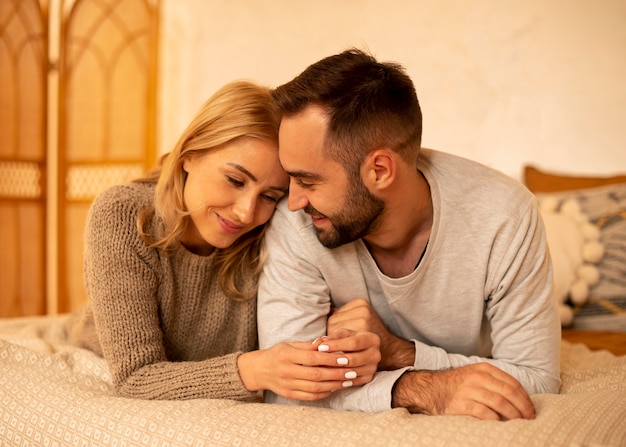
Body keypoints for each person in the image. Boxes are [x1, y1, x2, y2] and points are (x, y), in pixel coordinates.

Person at [257, 49, 561, 420]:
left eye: (308, 180)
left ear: (381, 170)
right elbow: (289, 390)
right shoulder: (296, 223)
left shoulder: (503, 217)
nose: (293, 201)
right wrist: (419, 387)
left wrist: (400, 352)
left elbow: (538, 378)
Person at [65, 80, 379, 402]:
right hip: (90, 342)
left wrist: (351, 343)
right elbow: (136, 377)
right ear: (190, 153)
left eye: (270, 196)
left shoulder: (274, 227)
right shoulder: (124, 215)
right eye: (234, 180)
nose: (246, 213)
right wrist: (255, 370)